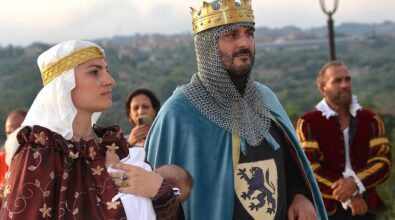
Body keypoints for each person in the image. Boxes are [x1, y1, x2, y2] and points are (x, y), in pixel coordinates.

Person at [145, 0, 327, 219]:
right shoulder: (178, 114)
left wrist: (300, 195)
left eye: (249, 33)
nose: (244, 43)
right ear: (207, 45)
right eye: (231, 35)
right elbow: (160, 203)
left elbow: (290, 167)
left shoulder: (265, 99)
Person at [0, 40, 181, 219]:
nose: (109, 80)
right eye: (94, 72)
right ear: (64, 84)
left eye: (107, 71)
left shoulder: (114, 146)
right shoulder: (40, 155)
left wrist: (159, 191)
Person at [296, 61, 392, 219]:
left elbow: (383, 161)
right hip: (328, 211)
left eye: (347, 79)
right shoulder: (308, 123)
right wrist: (348, 196)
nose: (344, 85)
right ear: (322, 88)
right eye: (337, 81)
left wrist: (356, 182)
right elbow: (309, 169)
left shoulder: (371, 119)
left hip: (366, 207)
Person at [0, 108, 27, 200]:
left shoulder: (36, 161)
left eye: (16, 131)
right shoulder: (1, 159)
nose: (12, 136)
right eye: (9, 133)